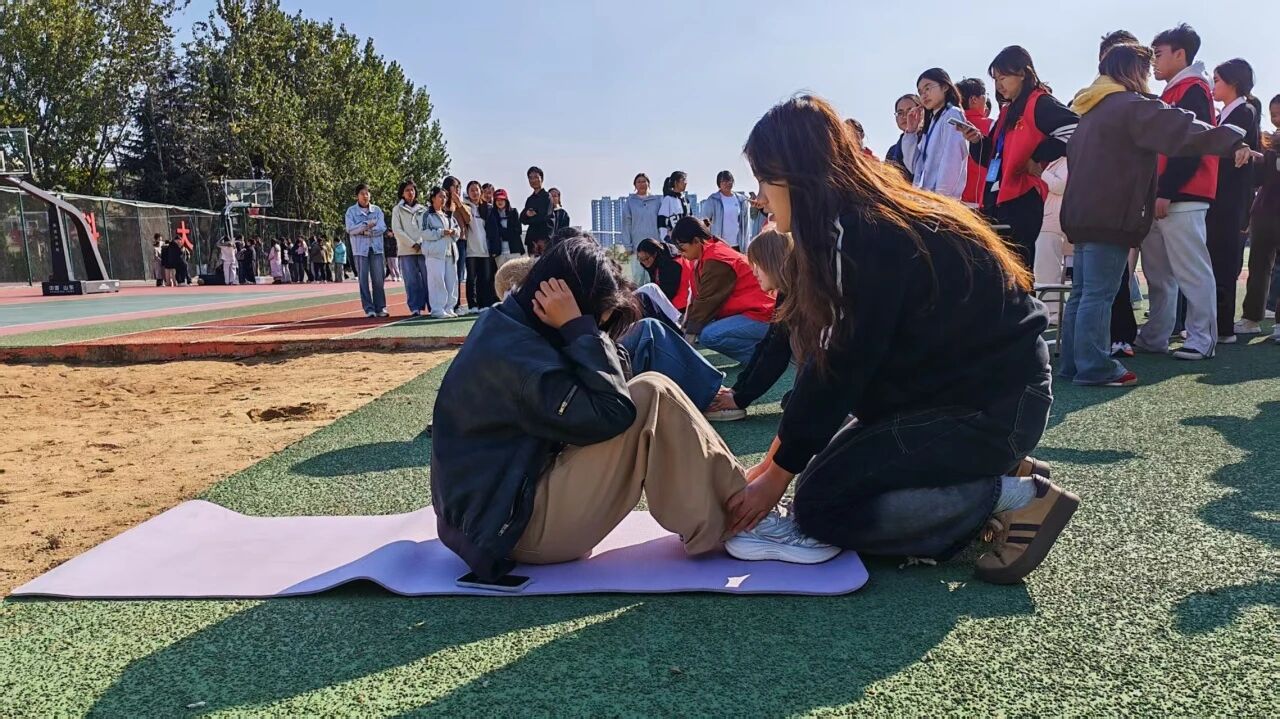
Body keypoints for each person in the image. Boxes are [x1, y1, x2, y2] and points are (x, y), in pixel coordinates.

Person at [741, 94, 1072, 585]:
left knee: (822, 506)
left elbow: (843, 364)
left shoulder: (860, 232)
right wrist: (774, 463)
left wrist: (775, 480)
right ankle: (992, 470)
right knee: (817, 478)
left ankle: (1014, 498)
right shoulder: (858, 220)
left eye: (764, 181)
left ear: (796, 175)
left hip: (990, 408)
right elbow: (825, 358)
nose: (761, 198)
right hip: (967, 399)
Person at [430, 237, 838, 583]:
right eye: (596, 317)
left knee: (647, 386)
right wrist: (579, 329)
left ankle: (738, 505)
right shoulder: (521, 358)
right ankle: (745, 522)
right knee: (650, 396)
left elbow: (610, 381)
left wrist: (584, 330)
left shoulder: (509, 327)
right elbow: (615, 410)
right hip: (518, 532)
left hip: (502, 517)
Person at [1060, 43, 1255, 387]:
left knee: (1083, 293)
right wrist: (1232, 140)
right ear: (1132, 71)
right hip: (1111, 214)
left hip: (1081, 213)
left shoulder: (1091, 110)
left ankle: (1073, 364)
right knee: (1098, 294)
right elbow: (1181, 129)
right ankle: (1095, 367)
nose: (1148, 76)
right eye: (1145, 69)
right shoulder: (1130, 106)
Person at [1132, 24, 1225, 360]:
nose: (1153, 62)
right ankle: (1156, 335)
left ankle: (1202, 338)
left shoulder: (1194, 89)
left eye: (1158, 54)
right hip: (1165, 194)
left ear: (1180, 54)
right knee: (1159, 273)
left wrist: (1167, 190)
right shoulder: (1173, 91)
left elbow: (1191, 145)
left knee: (1191, 270)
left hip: (1184, 195)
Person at [961, 46, 1078, 271]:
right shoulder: (1008, 109)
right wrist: (976, 141)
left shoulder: (1040, 102)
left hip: (1023, 197)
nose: (999, 85)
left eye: (1003, 77)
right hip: (997, 197)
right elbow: (994, 156)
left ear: (1023, 73)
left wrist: (1037, 157)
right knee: (1001, 270)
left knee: (1020, 269)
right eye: (996, 79)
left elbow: (1075, 129)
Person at [706, 229, 796, 417]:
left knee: (798, 406)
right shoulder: (787, 292)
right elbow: (768, 345)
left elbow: (776, 353)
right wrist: (738, 390)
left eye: (757, 265)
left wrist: (740, 399)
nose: (753, 272)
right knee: (793, 401)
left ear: (773, 262)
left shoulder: (801, 296)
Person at [672, 216, 775, 365]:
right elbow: (699, 299)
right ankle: (763, 354)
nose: (680, 253)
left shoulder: (716, 259)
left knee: (709, 335)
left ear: (696, 241)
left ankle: (763, 361)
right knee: (705, 329)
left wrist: (687, 340)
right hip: (757, 312)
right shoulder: (710, 252)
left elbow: (706, 302)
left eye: (682, 247)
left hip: (764, 315)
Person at [1207, 59, 1260, 344]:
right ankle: (1216, 324)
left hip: (1229, 199)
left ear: (1234, 83)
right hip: (1220, 198)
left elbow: (1220, 143)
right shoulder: (1227, 112)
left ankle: (1223, 327)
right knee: (1215, 260)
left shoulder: (1244, 110)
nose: (1213, 85)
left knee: (1224, 262)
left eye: (1217, 80)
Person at [1239, 95, 1280, 339]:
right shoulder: (1268, 143)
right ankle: (1251, 318)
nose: (1276, 119)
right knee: (1258, 266)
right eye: (1274, 114)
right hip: (1264, 212)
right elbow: (1258, 179)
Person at [899, 68, 969, 198]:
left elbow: (952, 161)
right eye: (920, 92)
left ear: (945, 87)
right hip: (926, 199)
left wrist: (941, 199)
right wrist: (911, 132)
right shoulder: (932, 121)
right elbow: (913, 166)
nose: (924, 95)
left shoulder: (952, 114)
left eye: (928, 88)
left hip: (941, 201)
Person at [344, 183, 389, 318]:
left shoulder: (377, 210)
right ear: (357, 196)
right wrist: (366, 225)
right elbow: (350, 229)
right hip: (360, 250)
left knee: (378, 279)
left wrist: (366, 232)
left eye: (367, 193)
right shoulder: (351, 211)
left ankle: (380, 307)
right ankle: (369, 308)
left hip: (376, 248)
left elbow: (381, 227)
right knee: (363, 280)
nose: (365, 196)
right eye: (362, 193)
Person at [392, 179, 431, 317]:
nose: (410, 192)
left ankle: (432, 306)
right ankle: (415, 307)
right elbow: (397, 230)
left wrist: (420, 242)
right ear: (402, 193)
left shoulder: (423, 209)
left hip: (423, 249)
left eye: (412, 190)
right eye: (407, 190)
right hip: (406, 250)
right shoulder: (397, 209)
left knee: (428, 279)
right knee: (411, 280)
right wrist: (412, 243)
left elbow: (427, 227)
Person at [957, 78, 996, 208]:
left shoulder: (949, 125)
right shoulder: (992, 125)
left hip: (952, 200)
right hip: (981, 200)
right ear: (974, 99)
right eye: (985, 96)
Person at [423, 186, 461, 319]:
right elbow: (424, 233)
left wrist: (454, 232)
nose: (443, 199)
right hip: (435, 253)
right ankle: (437, 309)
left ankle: (449, 307)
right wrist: (441, 232)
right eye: (440, 196)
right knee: (437, 281)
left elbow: (458, 230)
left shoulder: (448, 215)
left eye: (445, 197)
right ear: (433, 198)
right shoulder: (427, 215)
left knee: (452, 281)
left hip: (450, 252)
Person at [621, 173, 662, 283]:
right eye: (638, 182)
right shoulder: (630, 202)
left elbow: (661, 222)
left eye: (644, 181)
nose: (641, 184)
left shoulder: (657, 201)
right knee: (638, 278)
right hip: (636, 246)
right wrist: (628, 246)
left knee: (653, 278)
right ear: (634, 185)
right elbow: (626, 224)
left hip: (654, 245)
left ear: (648, 183)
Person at [464, 180, 497, 312]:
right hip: (470, 249)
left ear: (480, 192)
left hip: (485, 249)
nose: (474, 193)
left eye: (476, 190)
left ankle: (484, 304)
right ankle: (472, 305)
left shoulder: (487, 208)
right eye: (471, 190)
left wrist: (493, 247)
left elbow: (492, 230)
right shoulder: (464, 207)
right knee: (471, 278)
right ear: (468, 193)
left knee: (486, 278)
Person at [635, 238, 692, 311]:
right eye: (641, 259)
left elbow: (667, 293)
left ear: (655, 254)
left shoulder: (671, 263)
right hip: (672, 302)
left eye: (646, 259)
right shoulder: (657, 261)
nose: (644, 262)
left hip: (682, 306)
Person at [702, 170, 750, 250]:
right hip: (719, 244)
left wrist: (746, 246)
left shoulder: (741, 200)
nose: (727, 184)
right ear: (719, 183)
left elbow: (746, 225)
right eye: (724, 181)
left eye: (729, 181)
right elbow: (704, 221)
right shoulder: (713, 199)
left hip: (738, 245)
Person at [443, 176, 468, 306]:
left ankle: (456, 303)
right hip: (446, 242)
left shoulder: (462, 204)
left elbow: (468, 219)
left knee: (459, 273)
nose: (458, 189)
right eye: (455, 186)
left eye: (459, 187)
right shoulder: (442, 203)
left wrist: (459, 204)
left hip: (461, 241)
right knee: (447, 273)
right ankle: (446, 302)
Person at [885, 94, 922, 181]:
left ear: (921, 112)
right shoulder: (892, 151)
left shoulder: (929, 140)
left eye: (910, 111)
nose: (905, 116)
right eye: (900, 113)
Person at [486, 188, 524, 268]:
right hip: (500, 253)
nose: (500, 202)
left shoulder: (513, 212)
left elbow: (518, 230)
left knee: (515, 273)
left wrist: (502, 232)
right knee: (503, 274)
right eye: (497, 200)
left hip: (514, 251)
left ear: (506, 200)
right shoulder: (492, 215)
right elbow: (491, 233)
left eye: (502, 199)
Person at [521, 166, 552, 257]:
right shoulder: (530, 199)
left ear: (541, 178)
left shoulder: (547, 196)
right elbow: (522, 219)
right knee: (531, 264)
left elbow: (544, 217)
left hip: (543, 240)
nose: (533, 180)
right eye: (530, 178)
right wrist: (528, 214)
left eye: (536, 177)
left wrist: (530, 217)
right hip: (531, 239)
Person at [657, 171, 690, 241]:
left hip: (686, 239)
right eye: (683, 180)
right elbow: (662, 220)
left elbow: (690, 218)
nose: (685, 183)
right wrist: (665, 238)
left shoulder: (685, 200)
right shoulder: (668, 199)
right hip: (673, 239)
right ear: (676, 182)